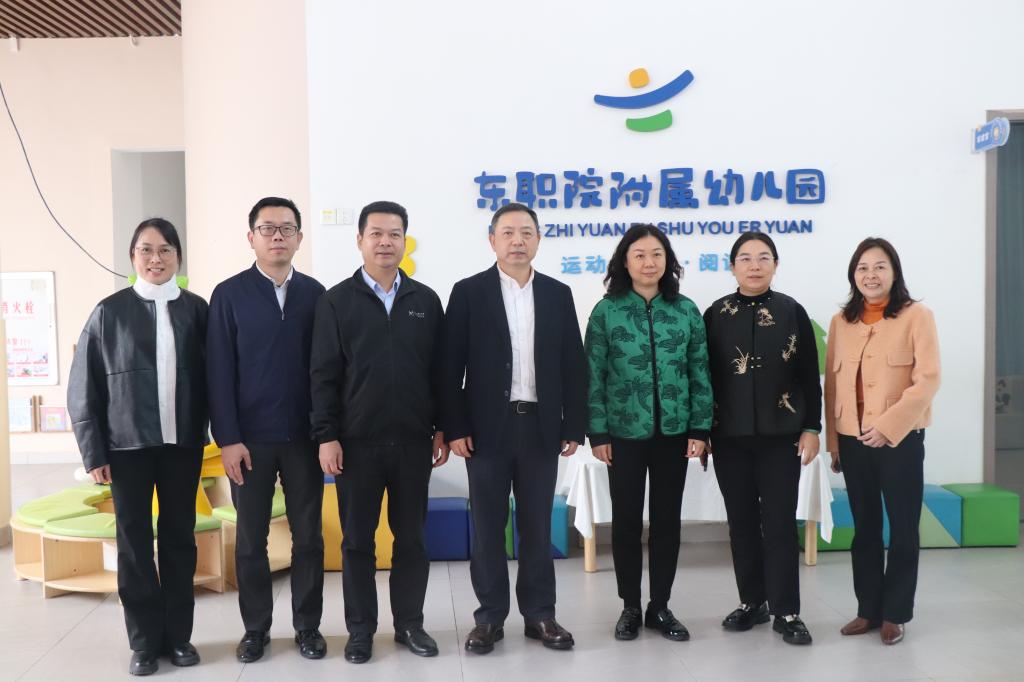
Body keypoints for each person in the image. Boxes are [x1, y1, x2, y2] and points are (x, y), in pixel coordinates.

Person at [442, 202, 587, 654]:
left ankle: (540, 614)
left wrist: (574, 424)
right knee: (488, 526)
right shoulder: (468, 292)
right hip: (486, 429)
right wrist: (454, 426)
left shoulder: (558, 293)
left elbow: (573, 364)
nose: (517, 241)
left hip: (540, 425)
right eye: (507, 232)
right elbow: (449, 368)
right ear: (492, 240)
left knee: (537, 526)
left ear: (538, 239)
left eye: (526, 232)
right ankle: (489, 617)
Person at [68, 218, 208, 677]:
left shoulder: (197, 310)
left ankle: (179, 637)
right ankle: (144, 642)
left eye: (165, 249)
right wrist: (94, 452)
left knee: (179, 538)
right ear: (132, 257)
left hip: (182, 444)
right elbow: (83, 387)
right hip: (125, 446)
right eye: (146, 249)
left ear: (178, 257)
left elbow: (218, 377)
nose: (155, 258)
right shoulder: (108, 312)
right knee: (133, 542)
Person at [310, 200, 447, 664]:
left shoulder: (425, 301)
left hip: (413, 442)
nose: (385, 242)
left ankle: (410, 624)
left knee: (412, 540)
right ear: (360, 240)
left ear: (405, 240)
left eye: (394, 234)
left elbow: (440, 373)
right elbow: (323, 375)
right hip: (356, 445)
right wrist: (326, 435)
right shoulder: (336, 301)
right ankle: (361, 630)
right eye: (376, 234)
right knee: (357, 543)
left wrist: (441, 428)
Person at [206, 197, 327, 663]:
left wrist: (326, 433)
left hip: (304, 439)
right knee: (251, 540)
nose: (278, 236)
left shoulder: (316, 295)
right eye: (267, 228)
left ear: (299, 238)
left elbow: (326, 371)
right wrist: (228, 439)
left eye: (286, 228)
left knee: (309, 537)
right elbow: (218, 373)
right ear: (251, 237)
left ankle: (308, 627)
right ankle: (255, 629)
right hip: (249, 442)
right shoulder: (229, 295)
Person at [584, 223, 712, 642]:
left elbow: (699, 371)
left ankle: (660, 606)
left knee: (666, 521)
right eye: (639, 255)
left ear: (667, 261)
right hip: (622, 433)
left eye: (657, 254)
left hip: (674, 432)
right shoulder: (607, 311)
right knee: (625, 522)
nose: (649, 262)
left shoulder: (685, 310)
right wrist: (598, 433)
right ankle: (630, 606)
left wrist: (700, 427)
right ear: (625, 262)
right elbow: (593, 375)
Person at [703, 232, 820, 646]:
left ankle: (787, 610)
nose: (755, 265)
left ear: (775, 264)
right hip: (729, 436)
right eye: (746, 258)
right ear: (732, 266)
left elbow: (809, 374)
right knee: (741, 523)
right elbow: (703, 376)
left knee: (780, 523)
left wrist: (812, 427)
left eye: (764, 257)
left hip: (780, 435)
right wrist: (702, 430)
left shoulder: (791, 311)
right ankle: (753, 601)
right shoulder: (716, 314)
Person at [825, 237, 940, 646]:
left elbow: (928, 380)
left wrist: (889, 427)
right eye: (862, 268)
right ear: (853, 275)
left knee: (904, 528)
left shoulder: (917, 316)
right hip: (852, 439)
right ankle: (868, 610)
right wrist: (835, 443)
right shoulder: (841, 321)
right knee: (865, 528)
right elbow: (832, 387)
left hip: (899, 440)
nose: (870, 275)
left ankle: (895, 614)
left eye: (879, 267)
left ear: (894, 272)